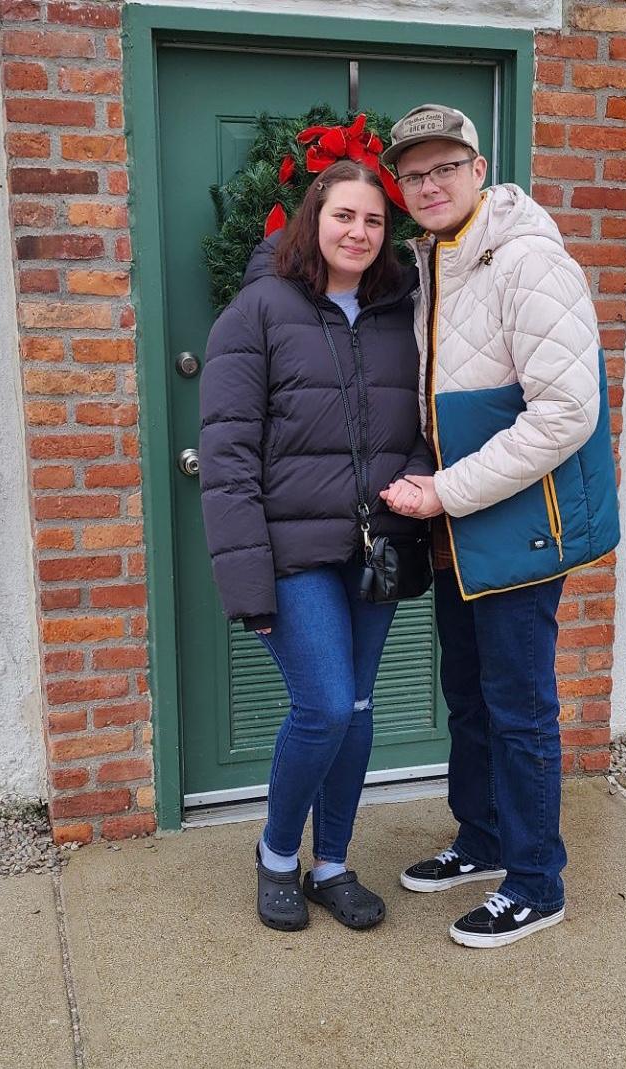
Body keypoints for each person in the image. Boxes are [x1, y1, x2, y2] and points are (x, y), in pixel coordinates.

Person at [378, 104, 621, 948]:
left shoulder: (526, 259)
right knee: (470, 698)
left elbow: (565, 414)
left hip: (517, 525)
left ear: (480, 170)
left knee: (519, 708)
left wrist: (444, 492)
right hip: (463, 530)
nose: (430, 184)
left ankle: (535, 880)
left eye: (446, 167)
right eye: (414, 174)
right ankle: (482, 840)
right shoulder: (439, 260)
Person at [199, 159, 433, 933]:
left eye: (373, 220)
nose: (359, 232)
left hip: (377, 548)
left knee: (360, 710)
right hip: (293, 553)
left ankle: (331, 862)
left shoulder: (406, 311)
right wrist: (247, 588)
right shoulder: (257, 311)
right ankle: (275, 856)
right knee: (325, 705)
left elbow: (431, 421)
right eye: (344, 216)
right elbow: (227, 459)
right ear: (314, 219)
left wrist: (422, 478)